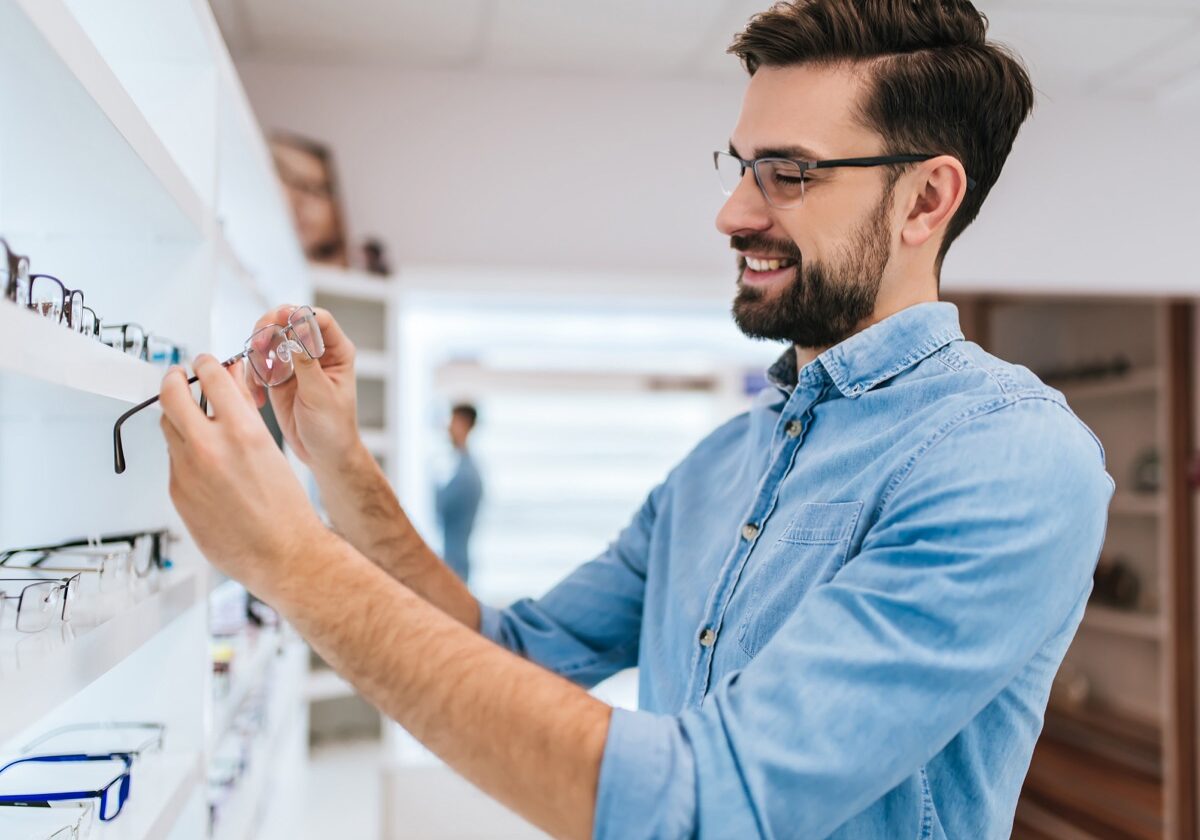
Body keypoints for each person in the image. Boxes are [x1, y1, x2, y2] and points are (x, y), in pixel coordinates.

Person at [156, 2, 1114, 838]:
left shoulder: (1011, 460)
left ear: (925, 200)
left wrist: (288, 558)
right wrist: (337, 461)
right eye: (741, 166)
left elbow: (703, 808)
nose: (732, 213)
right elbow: (511, 650)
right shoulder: (718, 469)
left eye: (787, 172)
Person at [435, 403, 484, 584]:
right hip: (453, 561)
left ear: (463, 424)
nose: (448, 427)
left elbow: (442, 507)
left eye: (453, 421)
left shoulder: (467, 475)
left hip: (455, 565)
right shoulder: (460, 468)